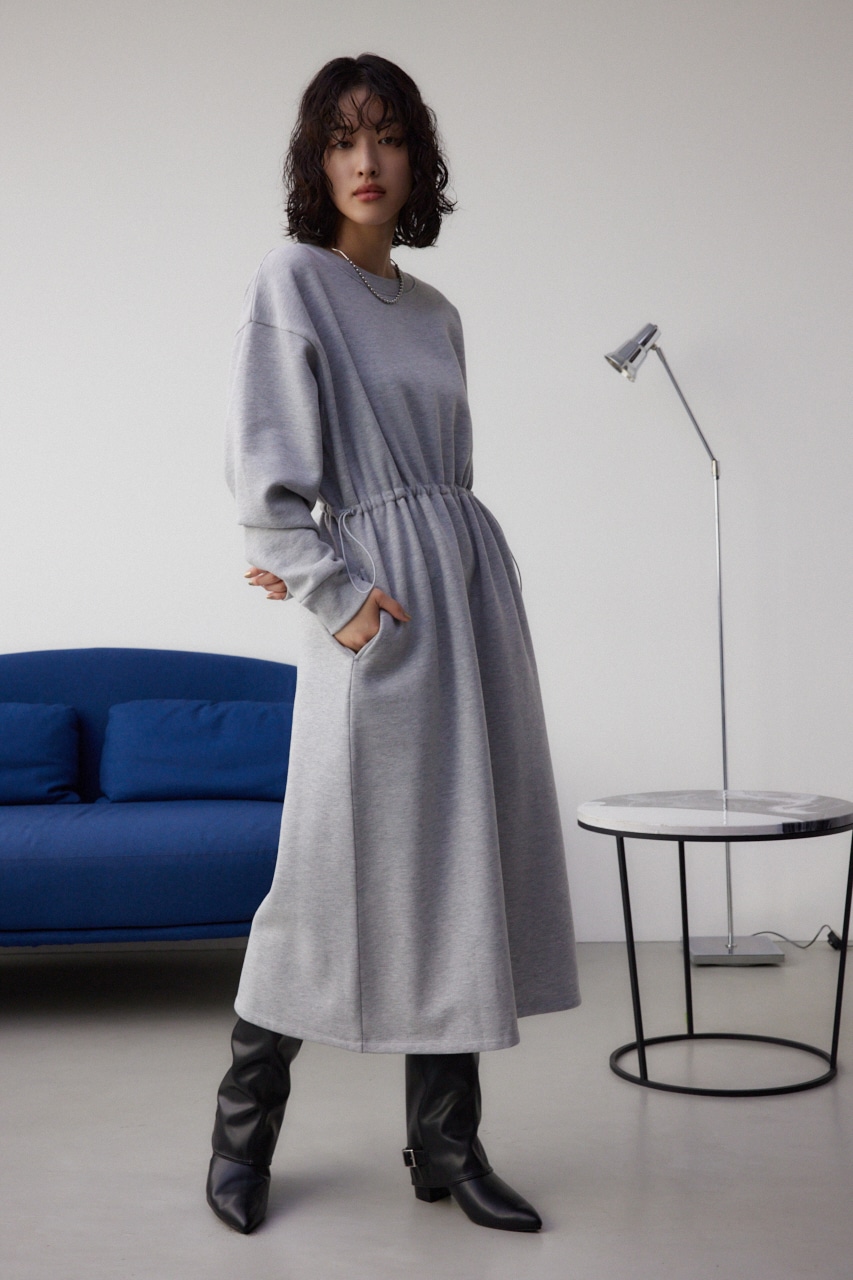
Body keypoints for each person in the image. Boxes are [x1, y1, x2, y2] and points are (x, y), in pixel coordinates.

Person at [209, 52, 579, 1236]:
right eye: (341, 140)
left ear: (417, 158)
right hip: (383, 617)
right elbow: (267, 479)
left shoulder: (436, 313)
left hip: (466, 598)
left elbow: (435, 479)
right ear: (315, 162)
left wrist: (416, 565)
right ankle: (242, 1128)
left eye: (387, 137)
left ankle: (447, 1142)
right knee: (323, 873)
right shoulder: (293, 280)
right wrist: (338, 590)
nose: (365, 161)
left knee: (457, 863)